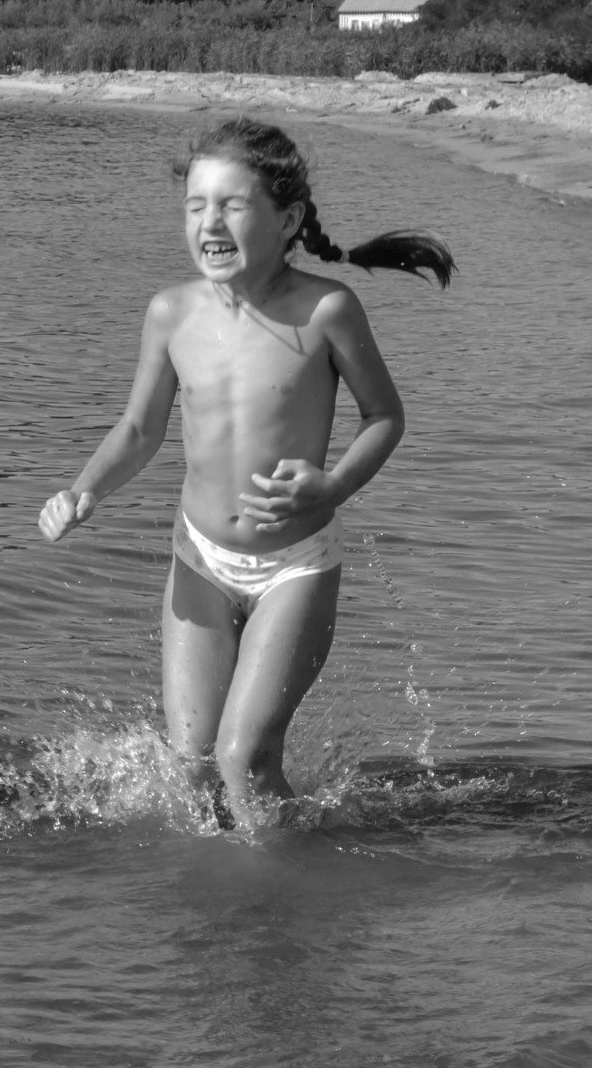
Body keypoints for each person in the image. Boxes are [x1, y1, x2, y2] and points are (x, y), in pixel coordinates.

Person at [38, 118, 452, 828]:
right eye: (195, 206)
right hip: (199, 558)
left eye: (232, 205)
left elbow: (385, 416)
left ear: (287, 220)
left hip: (295, 563)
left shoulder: (325, 310)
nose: (210, 222)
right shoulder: (171, 313)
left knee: (244, 758)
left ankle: (294, 877)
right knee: (192, 763)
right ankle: (229, 890)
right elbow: (139, 430)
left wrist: (333, 487)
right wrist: (83, 491)